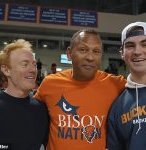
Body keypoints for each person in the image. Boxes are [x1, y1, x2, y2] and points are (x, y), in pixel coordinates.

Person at [34, 28, 126, 150]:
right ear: (69, 53)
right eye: (83, 49)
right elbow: (29, 112)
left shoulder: (116, 84)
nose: (90, 57)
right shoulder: (50, 84)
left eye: (96, 51)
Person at [0, 39, 49, 150]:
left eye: (34, 65)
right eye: (24, 64)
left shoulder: (41, 109)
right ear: (6, 70)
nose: (33, 70)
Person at [107, 22, 146, 150]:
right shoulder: (117, 107)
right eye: (130, 46)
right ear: (122, 53)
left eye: (144, 44)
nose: (137, 51)